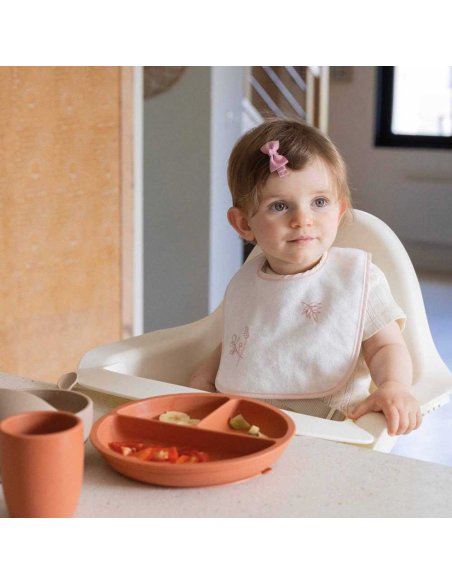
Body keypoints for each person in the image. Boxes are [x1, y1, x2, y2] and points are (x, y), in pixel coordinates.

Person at [189, 118, 422, 436]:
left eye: (319, 202)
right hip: (245, 427)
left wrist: (394, 386)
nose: (302, 219)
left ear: (339, 212)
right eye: (279, 206)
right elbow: (241, 339)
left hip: (331, 429)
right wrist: (203, 380)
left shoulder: (356, 279)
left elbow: (386, 346)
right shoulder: (247, 281)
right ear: (244, 224)